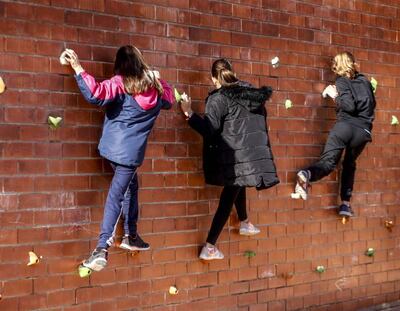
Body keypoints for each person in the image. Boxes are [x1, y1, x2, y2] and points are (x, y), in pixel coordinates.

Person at [64, 45, 174, 271]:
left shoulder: (119, 83)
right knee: (117, 195)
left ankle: (130, 235)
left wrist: (77, 67)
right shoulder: (157, 90)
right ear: (141, 63)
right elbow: (170, 99)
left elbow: (94, 93)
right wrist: (157, 79)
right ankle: (101, 248)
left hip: (111, 151)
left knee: (131, 186)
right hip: (129, 156)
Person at [180, 58, 279, 260]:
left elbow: (209, 129)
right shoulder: (251, 94)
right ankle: (244, 222)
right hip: (249, 154)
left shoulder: (219, 98)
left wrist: (189, 112)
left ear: (214, 78)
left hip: (234, 155)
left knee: (227, 198)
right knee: (237, 184)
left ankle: (209, 246)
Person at [293, 51, 376, 217]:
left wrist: (334, 95)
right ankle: (345, 203)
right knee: (350, 164)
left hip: (345, 127)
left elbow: (348, 106)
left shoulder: (342, 81)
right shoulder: (365, 81)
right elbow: (372, 104)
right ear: (353, 63)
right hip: (363, 132)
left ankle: (306, 174)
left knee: (329, 163)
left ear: (337, 67)